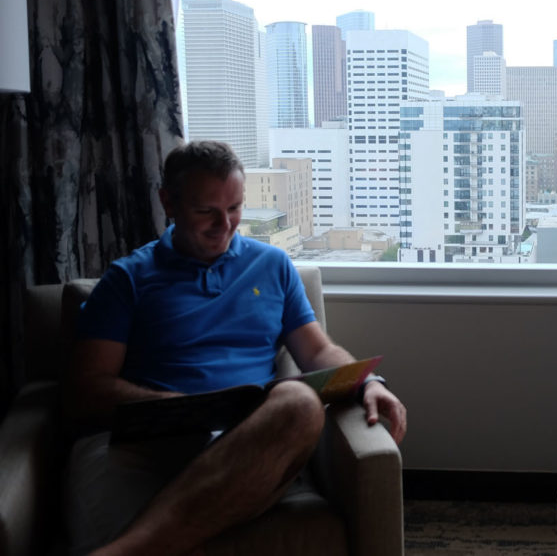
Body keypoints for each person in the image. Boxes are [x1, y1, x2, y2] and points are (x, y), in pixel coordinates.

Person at [63, 140, 408, 556]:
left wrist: (367, 382)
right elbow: (88, 388)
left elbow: (317, 352)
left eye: (234, 208)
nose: (224, 224)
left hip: (250, 442)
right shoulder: (127, 279)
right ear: (168, 202)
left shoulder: (273, 265)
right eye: (205, 211)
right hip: (155, 444)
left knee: (300, 403)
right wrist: (177, 408)